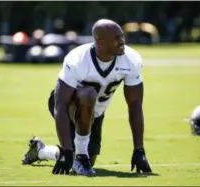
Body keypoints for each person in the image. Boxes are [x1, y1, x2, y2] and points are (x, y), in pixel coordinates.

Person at [22, 19, 152, 176]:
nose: (122, 41)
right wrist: (68, 149)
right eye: (116, 38)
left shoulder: (131, 60)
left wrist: (139, 149)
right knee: (88, 94)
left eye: (122, 37)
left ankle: (41, 151)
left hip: (95, 113)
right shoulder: (78, 59)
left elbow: (135, 104)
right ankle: (78, 153)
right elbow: (60, 105)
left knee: (85, 160)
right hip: (69, 105)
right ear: (101, 42)